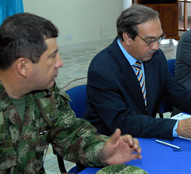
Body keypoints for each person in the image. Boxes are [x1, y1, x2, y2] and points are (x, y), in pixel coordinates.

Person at [0, 13, 142, 173]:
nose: (60, 63)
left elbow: (71, 134)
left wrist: (102, 151)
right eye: (52, 57)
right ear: (23, 67)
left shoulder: (46, 94)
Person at [84, 4, 191, 141]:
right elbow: (122, 121)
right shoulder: (102, 69)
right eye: (149, 40)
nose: (156, 47)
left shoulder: (154, 56)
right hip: (112, 146)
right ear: (127, 37)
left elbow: (174, 91)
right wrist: (176, 127)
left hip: (145, 136)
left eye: (159, 38)